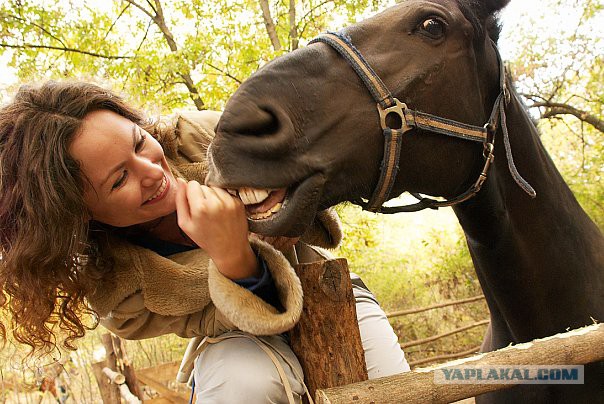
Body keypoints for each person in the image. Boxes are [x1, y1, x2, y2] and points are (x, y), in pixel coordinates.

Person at [0, 81, 409, 403]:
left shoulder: (204, 136)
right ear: (81, 213)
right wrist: (233, 257)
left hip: (325, 288)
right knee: (240, 385)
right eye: (119, 179)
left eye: (140, 142)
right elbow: (228, 320)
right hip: (236, 335)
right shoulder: (118, 295)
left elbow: (316, 196)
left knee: (396, 389)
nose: (151, 171)